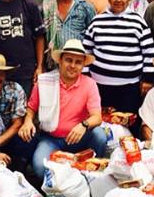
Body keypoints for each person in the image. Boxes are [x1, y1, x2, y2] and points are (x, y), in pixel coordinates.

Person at [18, 39, 108, 180]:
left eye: (78, 62)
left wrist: (83, 125)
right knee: (40, 167)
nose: (72, 66)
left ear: (83, 65)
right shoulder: (44, 81)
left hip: (79, 138)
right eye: (69, 60)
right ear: (60, 60)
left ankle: (92, 175)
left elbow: (97, 117)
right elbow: (31, 108)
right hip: (51, 139)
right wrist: (27, 121)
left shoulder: (90, 84)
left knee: (100, 135)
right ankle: (68, 181)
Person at [82, 0, 154, 115]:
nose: (119, 0)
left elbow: (149, 51)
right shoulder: (97, 21)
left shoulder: (138, 22)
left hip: (130, 88)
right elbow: (86, 50)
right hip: (99, 86)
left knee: (128, 126)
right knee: (103, 126)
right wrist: (86, 76)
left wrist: (148, 79)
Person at [41, 0, 95, 69]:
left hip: (77, 67)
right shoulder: (46, 6)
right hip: (51, 66)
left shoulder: (86, 7)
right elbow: (40, 37)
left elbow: (94, 37)